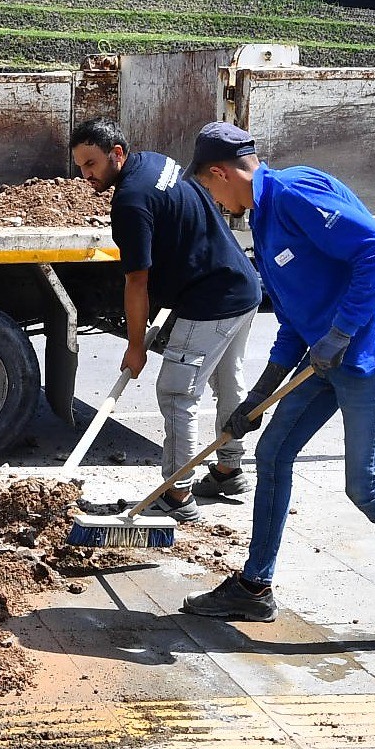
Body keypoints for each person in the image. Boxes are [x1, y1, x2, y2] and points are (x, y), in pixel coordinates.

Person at [182, 121, 375, 654]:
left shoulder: (293, 194)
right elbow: (295, 315)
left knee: (365, 484)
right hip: (327, 353)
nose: (217, 201)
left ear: (220, 173)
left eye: (212, 190)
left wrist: (340, 333)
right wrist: (259, 394)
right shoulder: (263, 218)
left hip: (373, 350)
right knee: (273, 451)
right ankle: (254, 587)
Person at [69, 118, 263, 522]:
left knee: (177, 393)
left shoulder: (129, 202)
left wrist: (135, 346)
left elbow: (136, 280)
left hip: (210, 301)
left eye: (91, 164)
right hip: (241, 285)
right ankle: (228, 469)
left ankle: (176, 494)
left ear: (116, 154)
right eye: (81, 166)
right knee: (228, 379)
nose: (85, 175)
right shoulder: (157, 162)